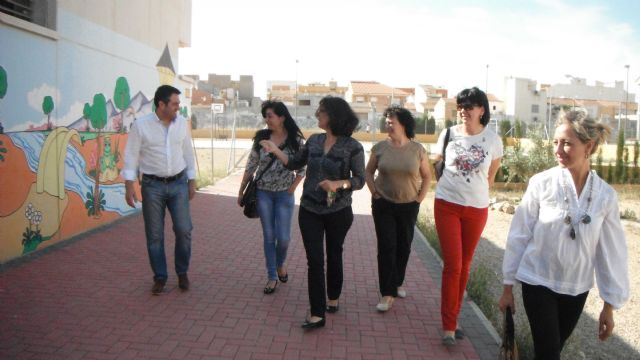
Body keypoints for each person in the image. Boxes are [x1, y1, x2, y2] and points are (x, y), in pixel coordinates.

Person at [499, 110, 629, 360]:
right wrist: (507, 287)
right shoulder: (541, 183)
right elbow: (519, 235)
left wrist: (609, 306)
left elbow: (612, 253)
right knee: (549, 354)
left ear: (588, 146)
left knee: (552, 351)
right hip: (537, 281)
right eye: (556, 142)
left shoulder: (605, 196)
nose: (558, 149)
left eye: (567, 143)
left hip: (576, 289)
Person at [260, 96, 365, 330]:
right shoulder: (314, 141)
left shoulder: (353, 146)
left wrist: (339, 184)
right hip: (309, 209)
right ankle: (317, 313)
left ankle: (333, 296)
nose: (317, 114)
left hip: (338, 211)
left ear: (334, 116)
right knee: (315, 261)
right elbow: (295, 163)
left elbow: (360, 180)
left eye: (321, 111)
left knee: (334, 254)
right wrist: (276, 149)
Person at [433, 87, 503, 345]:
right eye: (461, 106)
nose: (464, 111)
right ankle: (449, 325)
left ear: (482, 110)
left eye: (469, 106)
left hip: (477, 209)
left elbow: (491, 176)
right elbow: (437, 162)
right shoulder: (448, 133)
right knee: (453, 265)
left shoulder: (493, 140)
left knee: (465, 265)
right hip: (447, 205)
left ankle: (455, 314)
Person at [123, 85, 196, 295]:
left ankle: (182, 272)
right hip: (152, 186)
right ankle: (160, 277)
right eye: (174, 104)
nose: (178, 108)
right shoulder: (141, 126)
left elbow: (187, 152)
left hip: (178, 183)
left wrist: (192, 180)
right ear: (161, 104)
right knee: (154, 235)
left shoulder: (181, 123)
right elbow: (131, 155)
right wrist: (129, 186)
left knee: (184, 230)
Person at [365, 106, 431, 312]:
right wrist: (374, 193)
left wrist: (419, 198)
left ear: (403, 124)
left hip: (408, 206)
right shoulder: (379, 148)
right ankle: (387, 293)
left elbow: (428, 176)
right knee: (386, 247)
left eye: (392, 121)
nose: (388, 124)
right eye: (386, 121)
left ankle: (397, 282)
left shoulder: (418, 149)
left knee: (404, 246)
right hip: (383, 204)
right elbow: (368, 172)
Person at [237, 100, 305, 294]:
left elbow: (302, 167)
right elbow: (251, 165)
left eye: (270, 116)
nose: (267, 120)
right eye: (265, 116)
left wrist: (292, 188)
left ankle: (280, 263)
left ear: (282, 117)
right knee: (269, 236)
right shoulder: (261, 138)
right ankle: (272, 276)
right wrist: (241, 190)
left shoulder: (296, 141)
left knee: (283, 238)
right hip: (263, 193)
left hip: (284, 194)